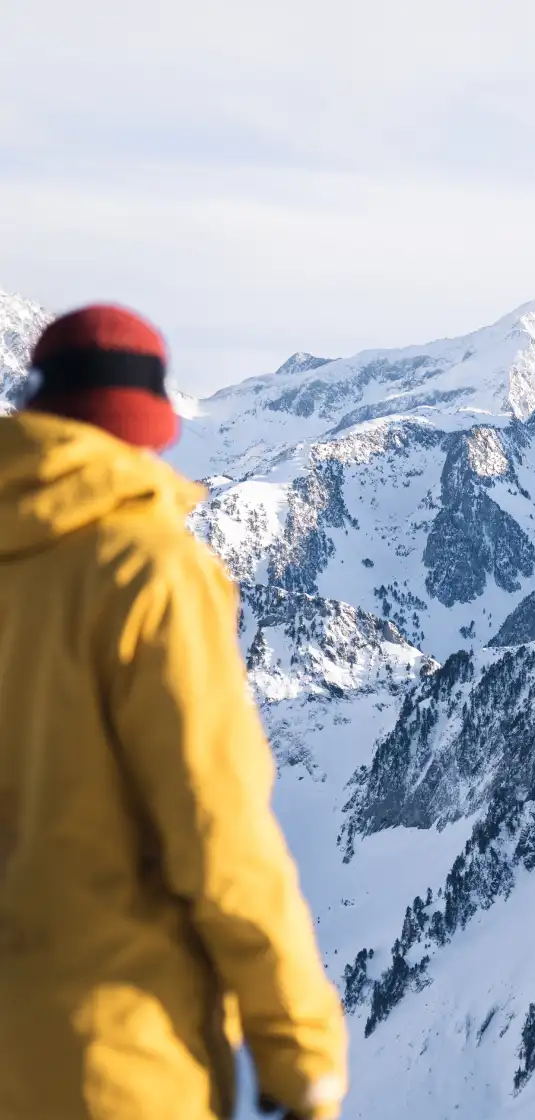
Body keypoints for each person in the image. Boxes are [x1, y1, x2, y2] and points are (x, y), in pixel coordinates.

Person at [0, 305, 347, 1120]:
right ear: (148, 428)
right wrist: (301, 1052)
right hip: (113, 1058)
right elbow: (218, 830)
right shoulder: (146, 571)